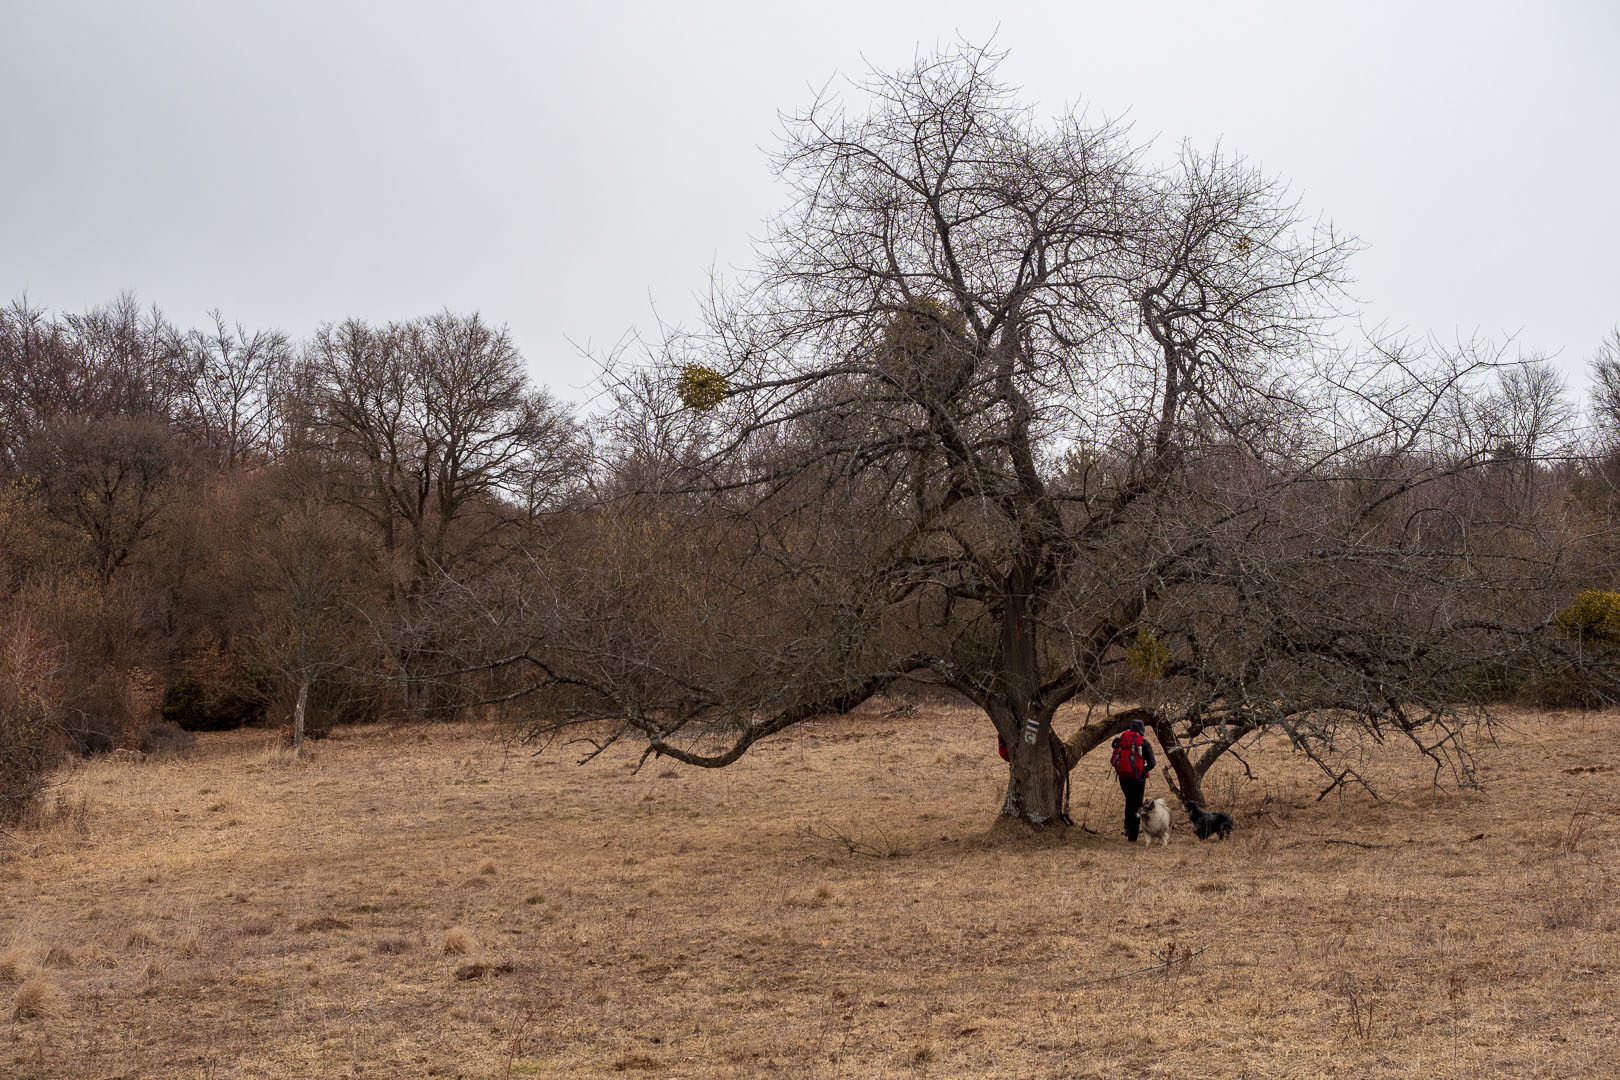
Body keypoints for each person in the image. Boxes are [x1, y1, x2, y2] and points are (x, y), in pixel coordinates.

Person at [1110, 717, 1156, 842]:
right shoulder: (1143, 743)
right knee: (1136, 805)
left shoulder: (1121, 740)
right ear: (1142, 729)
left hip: (1123, 777)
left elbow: (1112, 760)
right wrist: (1143, 769)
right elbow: (1152, 763)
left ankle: (1127, 827)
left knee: (1129, 802)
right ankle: (1132, 836)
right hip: (1138, 779)